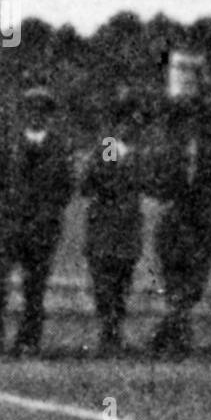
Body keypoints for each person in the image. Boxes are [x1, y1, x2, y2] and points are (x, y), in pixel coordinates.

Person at [0, 86, 73, 356]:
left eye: (42, 112)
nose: (36, 117)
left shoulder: (59, 147)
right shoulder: (10, 146)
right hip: (11, 226)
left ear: (48, 116)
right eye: (31, 111)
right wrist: (2, 218)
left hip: (42, 229)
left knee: (34, 291)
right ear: (23, 115)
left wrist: (47, 215)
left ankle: (28, 342)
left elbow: (65, 189)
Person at [149, 97, 211, 358]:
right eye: (183, 123)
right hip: (175, 231)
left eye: (194, 122)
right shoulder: (167, 154)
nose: (188, 128)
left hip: (202, 231)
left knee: (192, 290)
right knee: (176, 289)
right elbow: (157, 187)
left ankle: (168, 337)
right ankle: (177, 340)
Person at [82, 90, 145, 356]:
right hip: (105, 226)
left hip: (127, 228)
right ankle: (108, 334)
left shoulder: (138, 154)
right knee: (104, 284)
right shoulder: (108, 148)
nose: (130, 126)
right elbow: (88, 183)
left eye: (135, 122)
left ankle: (114, 333)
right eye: (126, 121)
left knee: (121, 284)